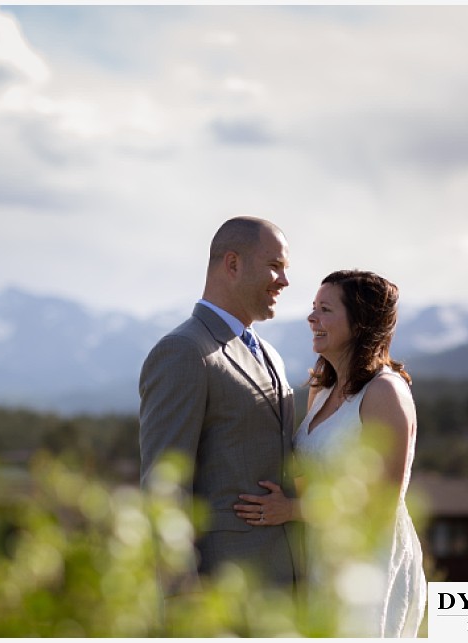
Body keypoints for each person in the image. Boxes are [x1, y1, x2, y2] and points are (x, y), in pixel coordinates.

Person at [233, 269, 427, 637]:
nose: (311, 319)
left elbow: (382, 504)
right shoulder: (321, 389)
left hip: (368, 563)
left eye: (325, 309)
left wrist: (292, 510)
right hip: (320, 556)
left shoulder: (385, 392)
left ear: (359, 323)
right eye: (313, 308)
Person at [139, 216, 303, 605]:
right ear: (232, 264)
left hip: (284, 589)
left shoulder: (271, 355)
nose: (284, 281)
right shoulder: (183, 351)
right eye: (275, 266)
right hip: (221, 592)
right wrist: (182, 597)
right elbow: (164, 488)